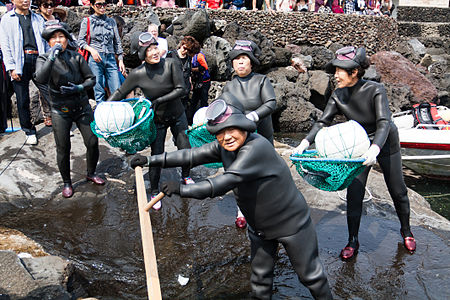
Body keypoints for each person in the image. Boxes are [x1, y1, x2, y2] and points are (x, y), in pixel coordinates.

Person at [130, 96, 333, 300]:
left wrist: (181, 189)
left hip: (292, 225)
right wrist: (150, 160)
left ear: (243, 127)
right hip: (260, 228)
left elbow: (222, 183)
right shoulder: (225, 147)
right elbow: (190, 156)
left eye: (231, 130)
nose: (226, 137)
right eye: (220, 133)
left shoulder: (256, 148)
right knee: (260, 280)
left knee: (310, 276)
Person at [293, 46, 417, 260]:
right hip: (357, 145)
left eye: (341, 70)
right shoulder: (338, 94)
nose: (336, 75)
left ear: (355, 72)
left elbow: (384, 122)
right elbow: (323, 121)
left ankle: (406, 231)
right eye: (335, 70)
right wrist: (304, 143)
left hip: (385, 141)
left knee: (397, 190)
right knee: (354, 194)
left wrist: (375, 149)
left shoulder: (375, 89)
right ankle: (352, 240)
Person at [107, 32, 194, 210]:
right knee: (157, 155)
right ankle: (154, 190)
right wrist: (104, 108)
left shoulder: (171, 64)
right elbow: (120, 92)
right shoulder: (138, 74)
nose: (154, 52)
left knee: (185, 146)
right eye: (149, 50)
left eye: (155, 48)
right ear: (142, 54)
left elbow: (181, 89)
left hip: (177, 114)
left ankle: (186, 176)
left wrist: (159, 100)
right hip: (158, 119)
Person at [34, 20, 105, 198]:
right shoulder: (43, 58)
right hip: (60, 110)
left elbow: (91, 79)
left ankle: (91, 172)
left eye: (61, 36)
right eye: (54, 38)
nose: (58, 40)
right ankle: (67, 182)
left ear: (67, 38)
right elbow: (41, 78)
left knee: (92, 141)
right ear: (48, 42)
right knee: (63, 147)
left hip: (81, 106)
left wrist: (79, 88)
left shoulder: (76, 57)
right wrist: (52, 55)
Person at [0, 0, 51, 145]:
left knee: (49, 93)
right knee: (22, 99)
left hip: (38, 58)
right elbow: (5, 44)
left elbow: (46, 41)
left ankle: (61, 124)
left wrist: (48, 61)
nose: (25, 0)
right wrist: (11, 67)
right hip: (19, 60)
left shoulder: (37, 18)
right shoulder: (7, 20)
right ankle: (29, 130)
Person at [223, 40, 276, 144]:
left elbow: (271, 103)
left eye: (244, 58)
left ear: (251, 63)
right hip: (238, 137)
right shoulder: (228, 87)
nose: (240, 62)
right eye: (237, 59)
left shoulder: (262, 80)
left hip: (262, 137)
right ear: (233, 64)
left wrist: (253, 116)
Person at [77, 0, 125, 103]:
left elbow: (117, 42)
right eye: (99, 4)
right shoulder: (87, 21)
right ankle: (101, 115)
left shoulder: (111, 21)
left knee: (116, 89)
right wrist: (91, 50)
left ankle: (118, 115)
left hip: (111, 58)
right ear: (92, 5)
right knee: (99, 90)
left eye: (104, 4)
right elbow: (80, 41)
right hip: (95, 58)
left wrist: (120, 60)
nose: (102, 7)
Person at [167, 36, 200, 111]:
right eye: (184, 48)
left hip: (185, 89)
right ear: (181, 45)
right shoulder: (170, 55)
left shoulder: (189, 58)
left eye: (188, 50)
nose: (184, 51)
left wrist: (190, 81)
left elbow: (189, 70)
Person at [189, 48, 211, 125]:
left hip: (204, 82)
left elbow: (204, 67)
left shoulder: (199, 56)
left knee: (203, 100)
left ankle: (205, 120)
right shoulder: (190, 57)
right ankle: (190, 120)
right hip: (197, 82)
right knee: (193, 101)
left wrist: (191, 69)